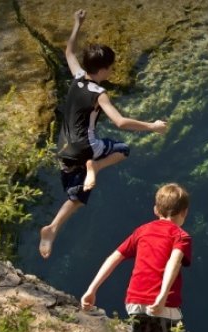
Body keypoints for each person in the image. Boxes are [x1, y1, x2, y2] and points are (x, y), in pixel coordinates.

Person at [39, 9, 168, 259]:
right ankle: (94, 167)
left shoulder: (77, 78)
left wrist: (77, 23)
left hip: (64, 148)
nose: (111, 72)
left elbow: (68, 52)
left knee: (76, 194)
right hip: (87, 147)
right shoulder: (99, 93)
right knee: (123, 150)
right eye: (110, 69)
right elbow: (119, 122)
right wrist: (152, 126)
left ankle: (52, 228)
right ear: (102, 69)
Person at [81, 183, 200, 332]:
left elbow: (114, 257)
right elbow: (174, 261)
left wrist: (91, 289)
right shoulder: (182, 236)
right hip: (165, 304)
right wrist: (162, 295)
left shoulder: (142, 231)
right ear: (185, 212)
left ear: (156, 210)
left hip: (134, 301)